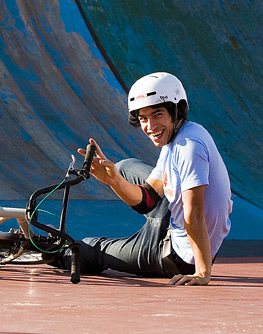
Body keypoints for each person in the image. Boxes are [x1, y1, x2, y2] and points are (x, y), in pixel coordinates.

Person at [57, 72, 232, 286]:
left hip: (178, 257)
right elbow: (148, 200)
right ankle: (120, 180)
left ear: (177, 111)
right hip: (177, 229)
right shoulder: (179, 137)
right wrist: (114, 181)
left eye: (157, 115)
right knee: (124, 168)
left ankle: (45, 251)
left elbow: (194, 213)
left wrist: (202, 272)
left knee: (91, 249)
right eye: (143, 119)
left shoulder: (189, 147)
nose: (150, 126)